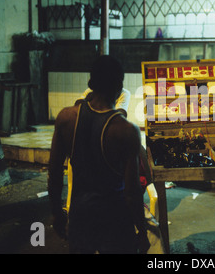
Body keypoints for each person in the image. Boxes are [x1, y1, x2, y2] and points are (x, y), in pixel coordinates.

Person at [48, 55, 150, 254]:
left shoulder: (66, 118)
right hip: (116, 222)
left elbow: (54, 174)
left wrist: (57, 214)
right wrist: (143, 231)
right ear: (119, 87)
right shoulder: (126, 130)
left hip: (80, 217)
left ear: (91, 83)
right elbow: (131, 193)